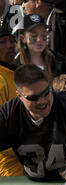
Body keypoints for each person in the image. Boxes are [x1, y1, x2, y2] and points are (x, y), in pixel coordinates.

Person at [0, 64, 66, 181]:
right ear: (19, 96)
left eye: (45, 93)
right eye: (33, 98)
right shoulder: (9, 115)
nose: (42, 101)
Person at [15, 14, 66, 82]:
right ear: (23, 38)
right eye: (34, 36)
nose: (39, 39)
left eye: (44, 35)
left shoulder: (58, 61)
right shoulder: (17, 66)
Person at [0, 26, 23, 176]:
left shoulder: (16, 73)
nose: (10, 45)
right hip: (6, 163)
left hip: (24, 157)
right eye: (2, 42)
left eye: (12, 41)